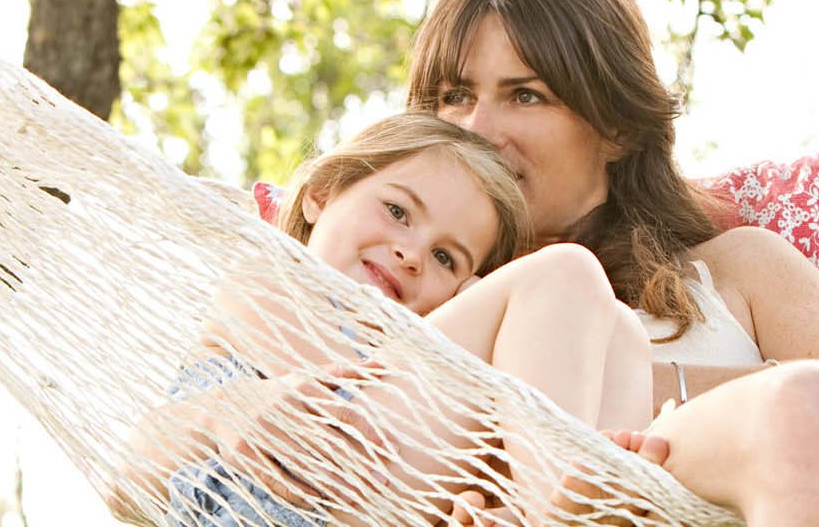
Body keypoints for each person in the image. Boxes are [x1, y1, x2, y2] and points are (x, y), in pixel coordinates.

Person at [411, 0, 819, 526]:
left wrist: (635, 385)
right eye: (455, 96)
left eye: (526, 95)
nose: (478, 129)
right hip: (596, 501)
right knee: (806, 403)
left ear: (618, 126)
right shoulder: (421, 286)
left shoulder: (735, 268)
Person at [116, 113, 664, 526]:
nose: (412, 255)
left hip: (376, 499)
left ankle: (555, 496)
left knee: (621, 330)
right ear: (318, 196)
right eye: (398, 212)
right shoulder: (272, 277)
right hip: (264, 499)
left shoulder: (423, 364)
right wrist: (487, 333)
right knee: (566, 272)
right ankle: (567, 502)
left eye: (446, 257)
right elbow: (129, 482)